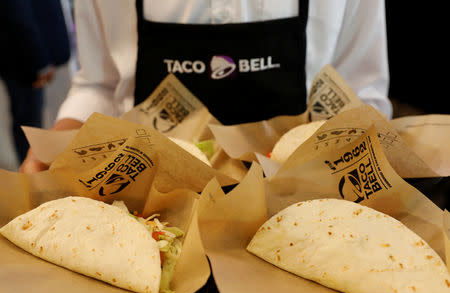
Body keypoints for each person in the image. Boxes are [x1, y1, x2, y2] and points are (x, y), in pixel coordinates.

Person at [19, 0, 392, 173]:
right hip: (147, 214)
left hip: (303, 216)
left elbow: (360, 95)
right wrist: (55, 143)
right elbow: (101, 85)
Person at [0, 0, 71, 163]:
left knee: (29, 118)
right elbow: (18, 15)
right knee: (28, 122)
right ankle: (32, 177)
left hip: (26, 56)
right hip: (23, 60)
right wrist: (40, 63)